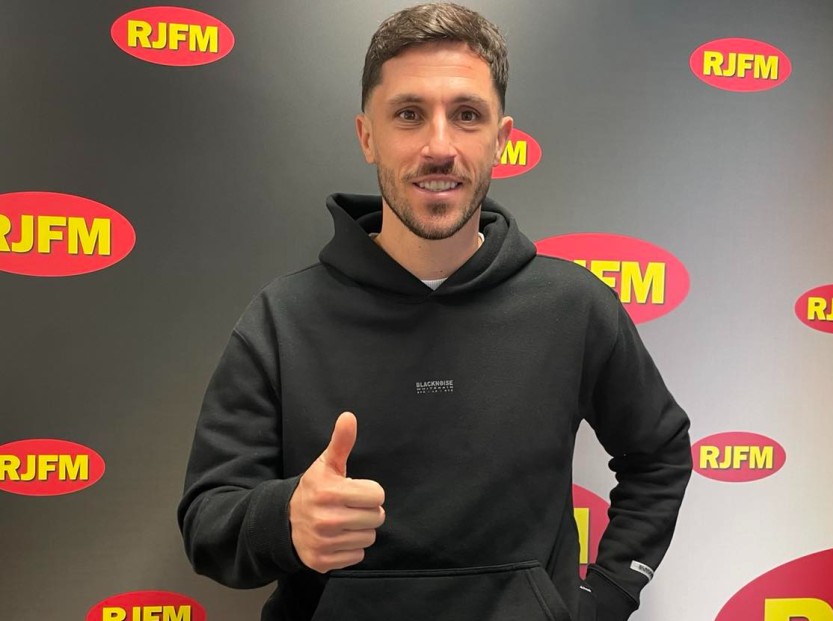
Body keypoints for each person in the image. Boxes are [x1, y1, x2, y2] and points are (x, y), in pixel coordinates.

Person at [177, 3, 692, 620]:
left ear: (501, 139)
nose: (439, 147)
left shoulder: (574, 308)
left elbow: (659, 455)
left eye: (467, 115)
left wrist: (603, 597)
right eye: (409, 114)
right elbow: (207, 522)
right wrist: (285, 520)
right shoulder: (282, 320)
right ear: (368, 136)